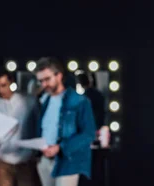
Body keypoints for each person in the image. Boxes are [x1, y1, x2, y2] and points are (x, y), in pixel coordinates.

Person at [34, 57, 96, 186]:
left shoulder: (80, 101)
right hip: (45, 159)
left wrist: (60, 147)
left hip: (68, 161)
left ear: (59, 76)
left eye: (47, 79)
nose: (44, 84)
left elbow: (88, 134)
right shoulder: (44, 101)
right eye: (41, 81)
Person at [0, 70, 40, 186]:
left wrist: (36, 152)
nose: (0, 90)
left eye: (3, 85)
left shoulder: (29, 101)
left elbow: (39, 127)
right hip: (1, 160)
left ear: (11, 82)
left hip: (26, 159)